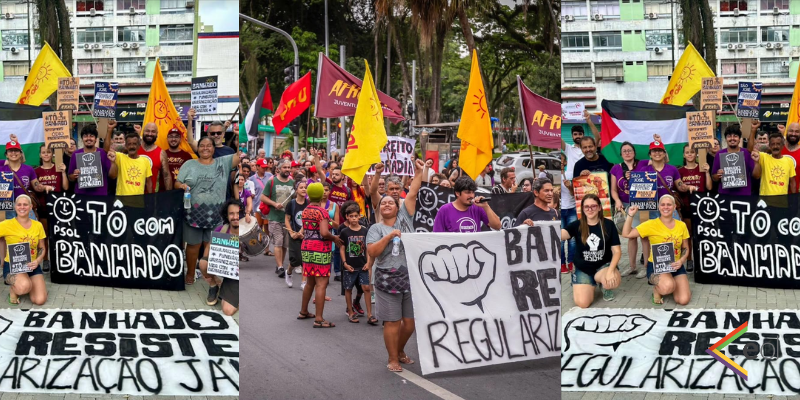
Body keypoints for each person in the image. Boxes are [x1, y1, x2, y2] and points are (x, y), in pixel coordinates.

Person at [367, 158, 423, 372]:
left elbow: (413, 193)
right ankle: (393, 358)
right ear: (380, 209)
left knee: (409, 323)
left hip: (409, 277)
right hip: (385, 278)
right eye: (383, 203)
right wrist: (389, 237)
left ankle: (399, 350)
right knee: (392, 321)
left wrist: (419, 172)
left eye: (391, 202)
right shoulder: (375, 229)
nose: (387, 204)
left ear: (398, 206)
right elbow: (373, 252)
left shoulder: (405, 218)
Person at [175, 136, 238, 289]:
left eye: (208, 145)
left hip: (216, 215)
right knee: (193, 245)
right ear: (197, 148)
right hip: (192, 214)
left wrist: (239, 138)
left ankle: (210, 276)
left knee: (211, 246)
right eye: (202, 145)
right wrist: (181, 186)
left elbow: (239, 155)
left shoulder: (223, 163)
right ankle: (190, 273)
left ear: (213, 148)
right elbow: (177, 182)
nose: (205, 148)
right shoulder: (189, 164)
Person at [622, 196, 692, 306]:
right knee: (668, 287)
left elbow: (686, 248)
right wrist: (630, 215)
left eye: (669, 205)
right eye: (663, 204)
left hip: (675, 265)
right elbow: (627, 234)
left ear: (674, 207)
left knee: (683, 300)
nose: (666, 207)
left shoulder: (681, 225)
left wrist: (682, 260)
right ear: (658, 207)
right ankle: (658, 289)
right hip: (657, 266)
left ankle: (670, 281)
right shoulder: (650, 224)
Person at [559, 194, 621, 306]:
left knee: (613, 280)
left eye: (593, 206)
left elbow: (617, 251)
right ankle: (584, 282)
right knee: (583, 303)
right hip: (583, 268)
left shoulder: (608, 224)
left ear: (599, 207)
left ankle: (603, 285)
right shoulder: (577, 225)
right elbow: (561, 235)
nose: (590, 209)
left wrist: (611, 271)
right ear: (582, 209)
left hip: (603, 266)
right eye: (586, 207)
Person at [297, 182, 344, 328]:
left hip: (306, 247)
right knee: (321, 284)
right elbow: (324, 232)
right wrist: (335, 238)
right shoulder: (322, 212)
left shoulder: (305, 210)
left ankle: (303, 311)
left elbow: (306, 229)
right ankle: (319, 319)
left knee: (310, 281)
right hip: (320, 249)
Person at [0, 195, 47, 305]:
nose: (22, 207)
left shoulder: (38, 225)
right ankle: (14, 288)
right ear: (15, 206)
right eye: (19, 204)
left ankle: (27, 281)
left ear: (30, 207)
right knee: (23, 287)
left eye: (25, 204)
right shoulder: (6, 224)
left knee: (40, 300)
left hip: (32, 265)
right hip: (13, 266)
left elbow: (42, 248)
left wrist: (38, 261)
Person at [198, 200, 241, 315]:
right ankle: (214, 285)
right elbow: (207, 249)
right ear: (226, 216)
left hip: (239, 275)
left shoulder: (247, 231)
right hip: (224, 269)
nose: (235, 217)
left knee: (227, 311)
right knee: (203, 263)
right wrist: (207, 273)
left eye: (238, 213)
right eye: (231, 213)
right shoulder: (221, 230)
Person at [609, 142, 643, 277]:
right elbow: (613, 189)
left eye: (630, 150)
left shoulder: (643, 164)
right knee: (630, 236)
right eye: (624, 151)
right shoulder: (615, 169)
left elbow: (663, 159)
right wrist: (617, 200)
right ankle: (632, 266)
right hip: (625, 205)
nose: (627, 152)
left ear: (634, 152)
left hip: (642, 204)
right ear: (621, 154)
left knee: (644, 236)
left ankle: (646, 266)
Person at [339, 203, 375, 325]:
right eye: (351, 216)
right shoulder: (344, 232)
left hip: (362, 265)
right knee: (348, 288)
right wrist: (344, 263)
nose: (354, 218)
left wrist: (369, 262)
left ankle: (370, 314)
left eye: (356, 216)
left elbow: (367, 248)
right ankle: (350, 312)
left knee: (366, 288)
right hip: (350, 266)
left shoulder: (365, 231)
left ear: (359, 216)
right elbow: (342, 248)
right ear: (347, 217)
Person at [678, 145, 712, 273]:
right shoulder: (680, 171)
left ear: (696, 154)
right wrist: (687, 187)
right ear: (684, 155)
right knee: (688, 236)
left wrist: (707, 172)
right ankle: (689, 259)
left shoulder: (702, 168)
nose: (690, 154)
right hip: (686, 207)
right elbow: (678, 186)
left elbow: (709, 187)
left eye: (692, 152)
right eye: (687, 152)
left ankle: (703, 259)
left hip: (702, 207)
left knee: (703, 236)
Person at [0, 140, 54, 220]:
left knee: (30, 231)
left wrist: (44, 187)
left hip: (25, 205)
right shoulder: (1, 169)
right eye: (10, 151)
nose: (13, 153)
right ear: (6, 154)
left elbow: (36, 186)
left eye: (16, 151)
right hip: (7, 208)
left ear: (21, 153)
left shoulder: (28, 169)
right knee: (9, 232)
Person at [34, 144, 68, 272]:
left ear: (53, 154)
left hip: (59, 207)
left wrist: (64, 172)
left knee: (59, 235)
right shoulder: (36, 171)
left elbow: (65, 187)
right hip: (43, 207)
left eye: (49, 152)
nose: (46, 154)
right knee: (45, 235)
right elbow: (34, 188)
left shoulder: (58, 168)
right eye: (44, 152)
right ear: (40, 155)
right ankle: (46, 259)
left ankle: (60, 259)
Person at [261, 159, 295, 278]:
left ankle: (279, 265)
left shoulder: (292, 182)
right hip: (274, 217)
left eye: (289, 167)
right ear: (279, 169)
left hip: (287, 219)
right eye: (285, 167)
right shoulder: (272, 182)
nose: (287, 170)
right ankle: (280, 267)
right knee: (278, 242)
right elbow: (263, 197)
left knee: (285, 245)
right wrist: (274, 204)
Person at [433, 176, 501, 233]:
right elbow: (437, 236)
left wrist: (486, 206)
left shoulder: (478, 208)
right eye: (467, 192)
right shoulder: (444, 210)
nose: (471, 196)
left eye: (473, 192)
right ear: (457, 193)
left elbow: (497, 226)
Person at [69, 124, 113, 196]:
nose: (88, 138)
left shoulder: (102, 153)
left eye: (91, 136)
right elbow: (70, 177)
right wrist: (74, 175)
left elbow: (111, 175)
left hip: (100, 195)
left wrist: (113, 161)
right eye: (85, 136)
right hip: (81, 195)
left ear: (96, 139)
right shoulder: (75, 154)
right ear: (82, 139)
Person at [711, 125, 755, 196]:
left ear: (739, 139)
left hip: (744, 195)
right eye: (729, 136)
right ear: (725, 139)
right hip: (725, 195)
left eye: (735, 136)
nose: (732, 138)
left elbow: (755, 174)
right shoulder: (719, 154)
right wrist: (718, 175)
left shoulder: (746, 153)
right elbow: (714, 177)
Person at [285, 181, 308, 287]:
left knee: (304, 259)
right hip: (294, 234)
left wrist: (301, 232)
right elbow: (287, 219)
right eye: (301, 187)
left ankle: (303, 282)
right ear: (296, 190)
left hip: (305, 235)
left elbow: (307, 220)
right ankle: (289, 272)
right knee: (296, 259)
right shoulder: (291, 203)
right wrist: (292, 233)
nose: (304, 189)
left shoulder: (308, 204)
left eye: (305, 187)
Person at [138, 122, 172, 192]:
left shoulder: (161, 153)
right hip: (133, 195)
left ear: (157, 134)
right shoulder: (134, 148)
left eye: (153, 132)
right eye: (147, 131)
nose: (150, 134)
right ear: (143, 132)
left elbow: (167, 176)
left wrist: (169, 196)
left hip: (152, 196)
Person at [778, 122, 800, 192]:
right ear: (787, 132)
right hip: (776, 195)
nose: (793, 134)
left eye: (797, 132)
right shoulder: (777, 148)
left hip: (795, 196)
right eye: (791, 131)